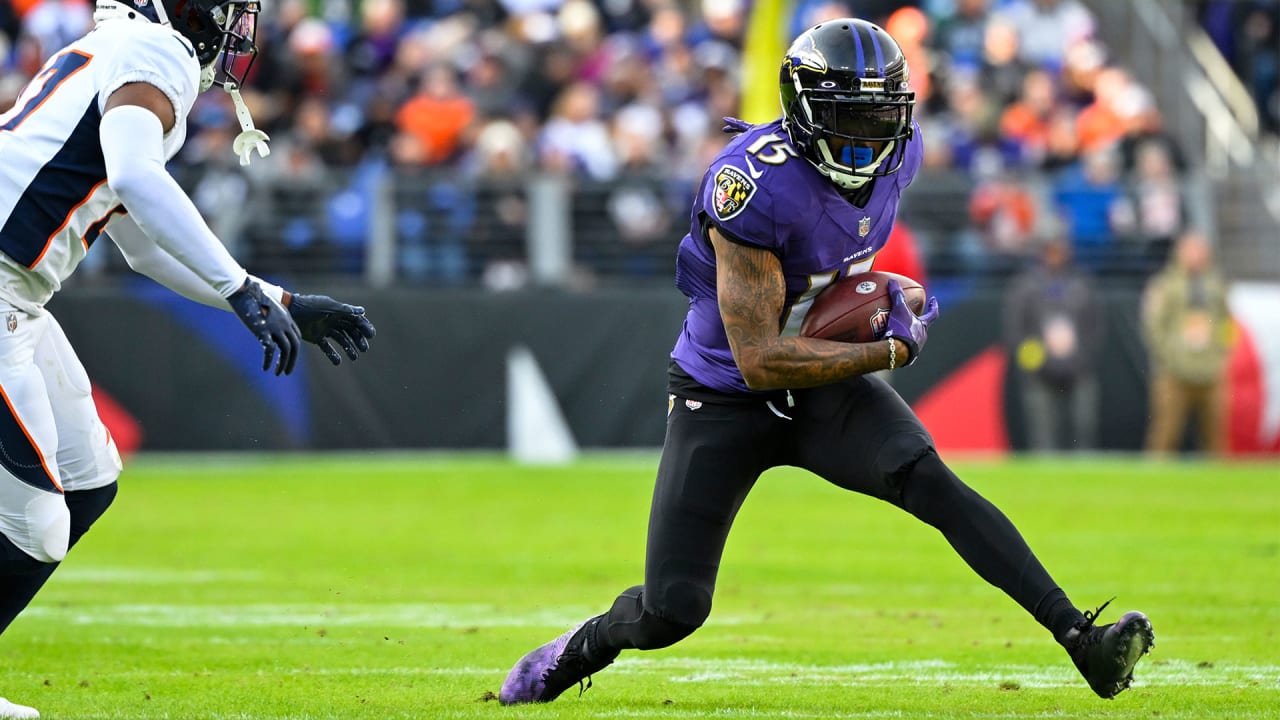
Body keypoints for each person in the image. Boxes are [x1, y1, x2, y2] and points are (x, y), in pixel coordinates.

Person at [499, 18, 1154, 707]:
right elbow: (758, 359)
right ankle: (575, 652)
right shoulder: (751, 188)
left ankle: (1083, 641)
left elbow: (837, 272)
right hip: (723, 394)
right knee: (673, 609)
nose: (868, 135)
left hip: (820, 383)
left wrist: (887, 298)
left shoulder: (900, 156)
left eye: (881, 115)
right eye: (848, 116)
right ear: (804, 111)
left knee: (931, 482)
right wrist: (884, 349)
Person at [0, 3, 376, 717]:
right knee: (37, 528)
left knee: (88, 480)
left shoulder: (117, 48)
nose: (236, 19)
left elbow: (143, 246)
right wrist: (239, 290)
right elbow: (138, 179)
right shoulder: (155, 48)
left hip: (18, 297)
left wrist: (283, 301)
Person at [1002, 233, 1103, 451]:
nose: (1056, 256)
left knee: (1083, 428)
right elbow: (1016, 331)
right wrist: (1039, 360)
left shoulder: (1083, 284)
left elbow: (1094, 328)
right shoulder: (1026, 287)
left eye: (1061, 250)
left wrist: (1079, 359)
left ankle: (1083, 478)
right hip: (1040, 371)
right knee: (1043, 433)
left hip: (1079, 369)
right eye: (1051, 250)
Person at [1141, 231, 1232, 456]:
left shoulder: (1216, 286)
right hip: (1174, 374)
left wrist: (1222, 354)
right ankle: (1154, 488)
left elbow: (1228, 323)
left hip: (1210, 372)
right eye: (1190, 250)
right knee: (1165, 437)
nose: (1195, 256)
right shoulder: (1165, 285)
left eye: (1199, 250)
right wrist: (1169, 356)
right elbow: (1153, 326)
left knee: (1216, 440)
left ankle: (1217, 490)